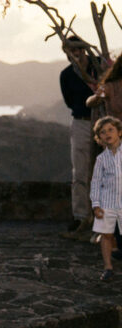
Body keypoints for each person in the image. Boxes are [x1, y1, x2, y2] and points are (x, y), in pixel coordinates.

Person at [59, 38, 99, 236]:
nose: (75, 53)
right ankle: (81, 217)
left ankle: (107, 218)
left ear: (84, 49)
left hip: (103, 122)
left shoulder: (99, 66)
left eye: (77, 49)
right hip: (81, 122)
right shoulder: (66, 75)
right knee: (80, 172)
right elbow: (69, 102)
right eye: (70, 50)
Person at [90, 116, 122, 281]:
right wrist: (96, 205)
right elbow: (96, 183)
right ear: (99, 138)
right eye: (102, 132)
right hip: (107, 203)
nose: (107, 134)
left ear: (119, 132)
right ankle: (108, 267)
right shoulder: (101, 159)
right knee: (106, 235)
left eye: (110, 130)